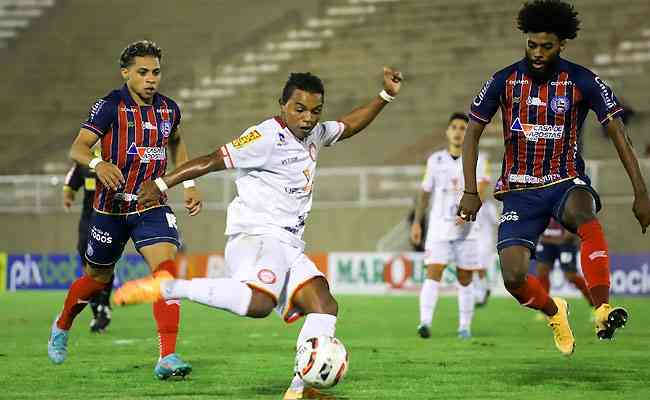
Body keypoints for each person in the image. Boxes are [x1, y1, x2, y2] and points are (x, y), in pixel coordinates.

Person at [113, 68, 403, 399]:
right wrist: (163, 183)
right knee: (260, 303)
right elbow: (211, 160)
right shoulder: (265, 136)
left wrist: (385, 96)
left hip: (289, 244)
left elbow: (349, 125)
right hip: (256, 237)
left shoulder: (315, 134)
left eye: (315, 111)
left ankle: (300, 389)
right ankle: (167, 287)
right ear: (282, 105)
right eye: (299, 109)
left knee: (324, 305)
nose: (308, 118)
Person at [458, 0, 650, 357]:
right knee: (514, 278)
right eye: (532, 45)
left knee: (584, 216)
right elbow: (472, 131)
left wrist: (641, 192)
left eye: (547, 46)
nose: (538, 53)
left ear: (562, 44)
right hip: (519, 189)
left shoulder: (582, 80)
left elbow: (619, 132)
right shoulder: (504, 80)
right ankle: (553, 311)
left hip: (565, 179)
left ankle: (603, 307)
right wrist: (470, 190)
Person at [48, 40, 203, 381]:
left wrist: (189, 185)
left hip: (152, 205)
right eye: (143, 72)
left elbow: (176, 141)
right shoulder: (109, 106)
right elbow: (77, 148)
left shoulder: (169, 109)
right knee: (96, 279)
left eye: (156, 72)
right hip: (110, 210)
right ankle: (62, 323)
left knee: (166, 274)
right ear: (126, 73)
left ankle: (168, 356)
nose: (151, 79)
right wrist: (99, 162)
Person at [410, 113, 490, 339]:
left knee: (465, 278)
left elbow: (482, 188)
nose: (457, 131)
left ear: (468, 133)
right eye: (454, 127)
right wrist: (417, 222)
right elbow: (425, 193)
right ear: (447, 132)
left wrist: (469, 210)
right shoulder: (435, 160)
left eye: (463, 128)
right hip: (439, 228)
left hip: (468, 230)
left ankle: (464, 327)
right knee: (433, 272)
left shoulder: (479, 159)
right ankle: (424, 322)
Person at [63, 150, 114, 333]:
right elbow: (71, 181)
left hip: (109, 218)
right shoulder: (85, 163)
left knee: (106, 264)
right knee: (87, 265)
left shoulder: (115, 157)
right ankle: (96, 310)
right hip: (87, 220)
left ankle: (104, 306)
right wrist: (68, 194)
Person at [535, 218, 593, 307]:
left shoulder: (566, 205)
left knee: (571, 276)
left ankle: (595, 304)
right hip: (546, 243)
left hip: (566, 244)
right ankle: (544, 307)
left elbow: (569, 235)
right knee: (542, 271)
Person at [474, 197, 498, 307]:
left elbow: (497, 222)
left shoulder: (489, 206)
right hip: (474, 241)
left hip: (485, 242)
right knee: (476, 269)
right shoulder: (471, 204)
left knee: (480, 268)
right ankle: (485, 288)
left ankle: (480, 295)